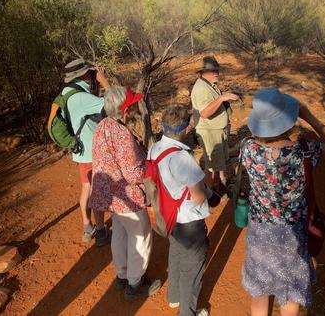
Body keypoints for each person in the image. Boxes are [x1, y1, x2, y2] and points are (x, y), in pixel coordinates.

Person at [241, 87, 325, 316]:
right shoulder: (304, 151)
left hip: (260, 230)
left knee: (259, 290)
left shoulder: (247, 149)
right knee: (291, 292)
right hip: (293, 231)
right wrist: (308, 115)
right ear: (289, 119)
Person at [88, 85, 162, 300]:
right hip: (127, 196)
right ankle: (135, 283)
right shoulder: (121, 133)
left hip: (111, 195)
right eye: (132, 105)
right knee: (140, 234)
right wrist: (150, 168)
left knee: (120, 232)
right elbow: (132, 173)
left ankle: (122, 276)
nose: (135, 108)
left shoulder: (102, 125)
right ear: (124, 108)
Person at [148, 104, 212, 316]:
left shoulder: (155, 147)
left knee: (175, 253)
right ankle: (187, 313)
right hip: (188, 222)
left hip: (167, 216)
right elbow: (199, 196)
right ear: (185, 129)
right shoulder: (182, 158)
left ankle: (174, 297)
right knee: (192, 270)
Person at [62, 58, 111, 245]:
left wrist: (94, 86)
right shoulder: (81, 98)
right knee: (97, 191)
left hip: (81, 150)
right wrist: (104, 81)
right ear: (82, 74)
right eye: (90, 71)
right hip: (93, 151)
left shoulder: (67, 92)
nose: (92, 74)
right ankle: (100, 231)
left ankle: (87, 226)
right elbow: (116, 102)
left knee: (87, 189)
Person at [191, 56, 239, 193]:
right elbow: (205, 113)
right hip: (209, 132)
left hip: (216, 130)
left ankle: (220, 186)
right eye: (213, 71)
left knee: (218, 164)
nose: (216, 73)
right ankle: (209, 193)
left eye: (217, 70)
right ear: (204, 72)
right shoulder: (201, 88)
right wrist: (223, 98)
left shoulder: (209, 84)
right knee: (211, 167)